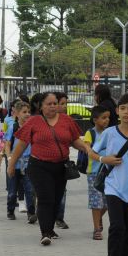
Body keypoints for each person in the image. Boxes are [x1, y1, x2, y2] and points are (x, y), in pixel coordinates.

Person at [8, 92, 87, 246]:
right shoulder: (34, 122)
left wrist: (87, 149)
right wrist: (11, 164)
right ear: (41, 106)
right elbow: (22, 144)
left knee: (56, 199)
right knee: (45, 198)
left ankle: (50, 229)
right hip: (39, 166)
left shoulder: (66, 120)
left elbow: (75, 140)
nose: (53, 106)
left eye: (55, 103)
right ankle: (45, 232)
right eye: (48, 104)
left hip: (61, 166)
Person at [88, 93, 128, 256]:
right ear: (117, 111)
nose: (126, 112)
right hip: (113, 188)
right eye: (122, 108)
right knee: (117, 227)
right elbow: (91, 151)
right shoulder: (109, 133)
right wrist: (104, 160)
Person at [4, 101, 36, 222]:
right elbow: (7, 144)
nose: (27, 114)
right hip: (15, 163)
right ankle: (10, 210)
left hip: (29, 163)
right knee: (12, 191)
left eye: (29, 112)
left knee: (30, 190)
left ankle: (31, 213)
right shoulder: (13, 127)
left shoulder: (32, 128)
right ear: (17, 113)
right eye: (24, 112)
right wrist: (9, 158)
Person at [83, 105, 111, 240]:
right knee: (96, 202)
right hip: (94, 172)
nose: (106, 120)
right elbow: (87, 147)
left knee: (107, 203)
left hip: (108, 172)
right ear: (95, 120)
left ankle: (98, 218)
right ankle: (96, 229)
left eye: (108, 118)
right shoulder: (91, 133)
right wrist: (90, 150)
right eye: (103, 118)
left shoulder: (110, 132)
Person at [54, 92, 70, 229]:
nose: (64, 106)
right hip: (45, 162)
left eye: (66, 104)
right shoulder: (45, 119)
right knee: (46, 191)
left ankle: (59, 217)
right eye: (62, 103)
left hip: (63, 161)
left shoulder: (67, 120)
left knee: (62, 191)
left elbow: (74, 138)